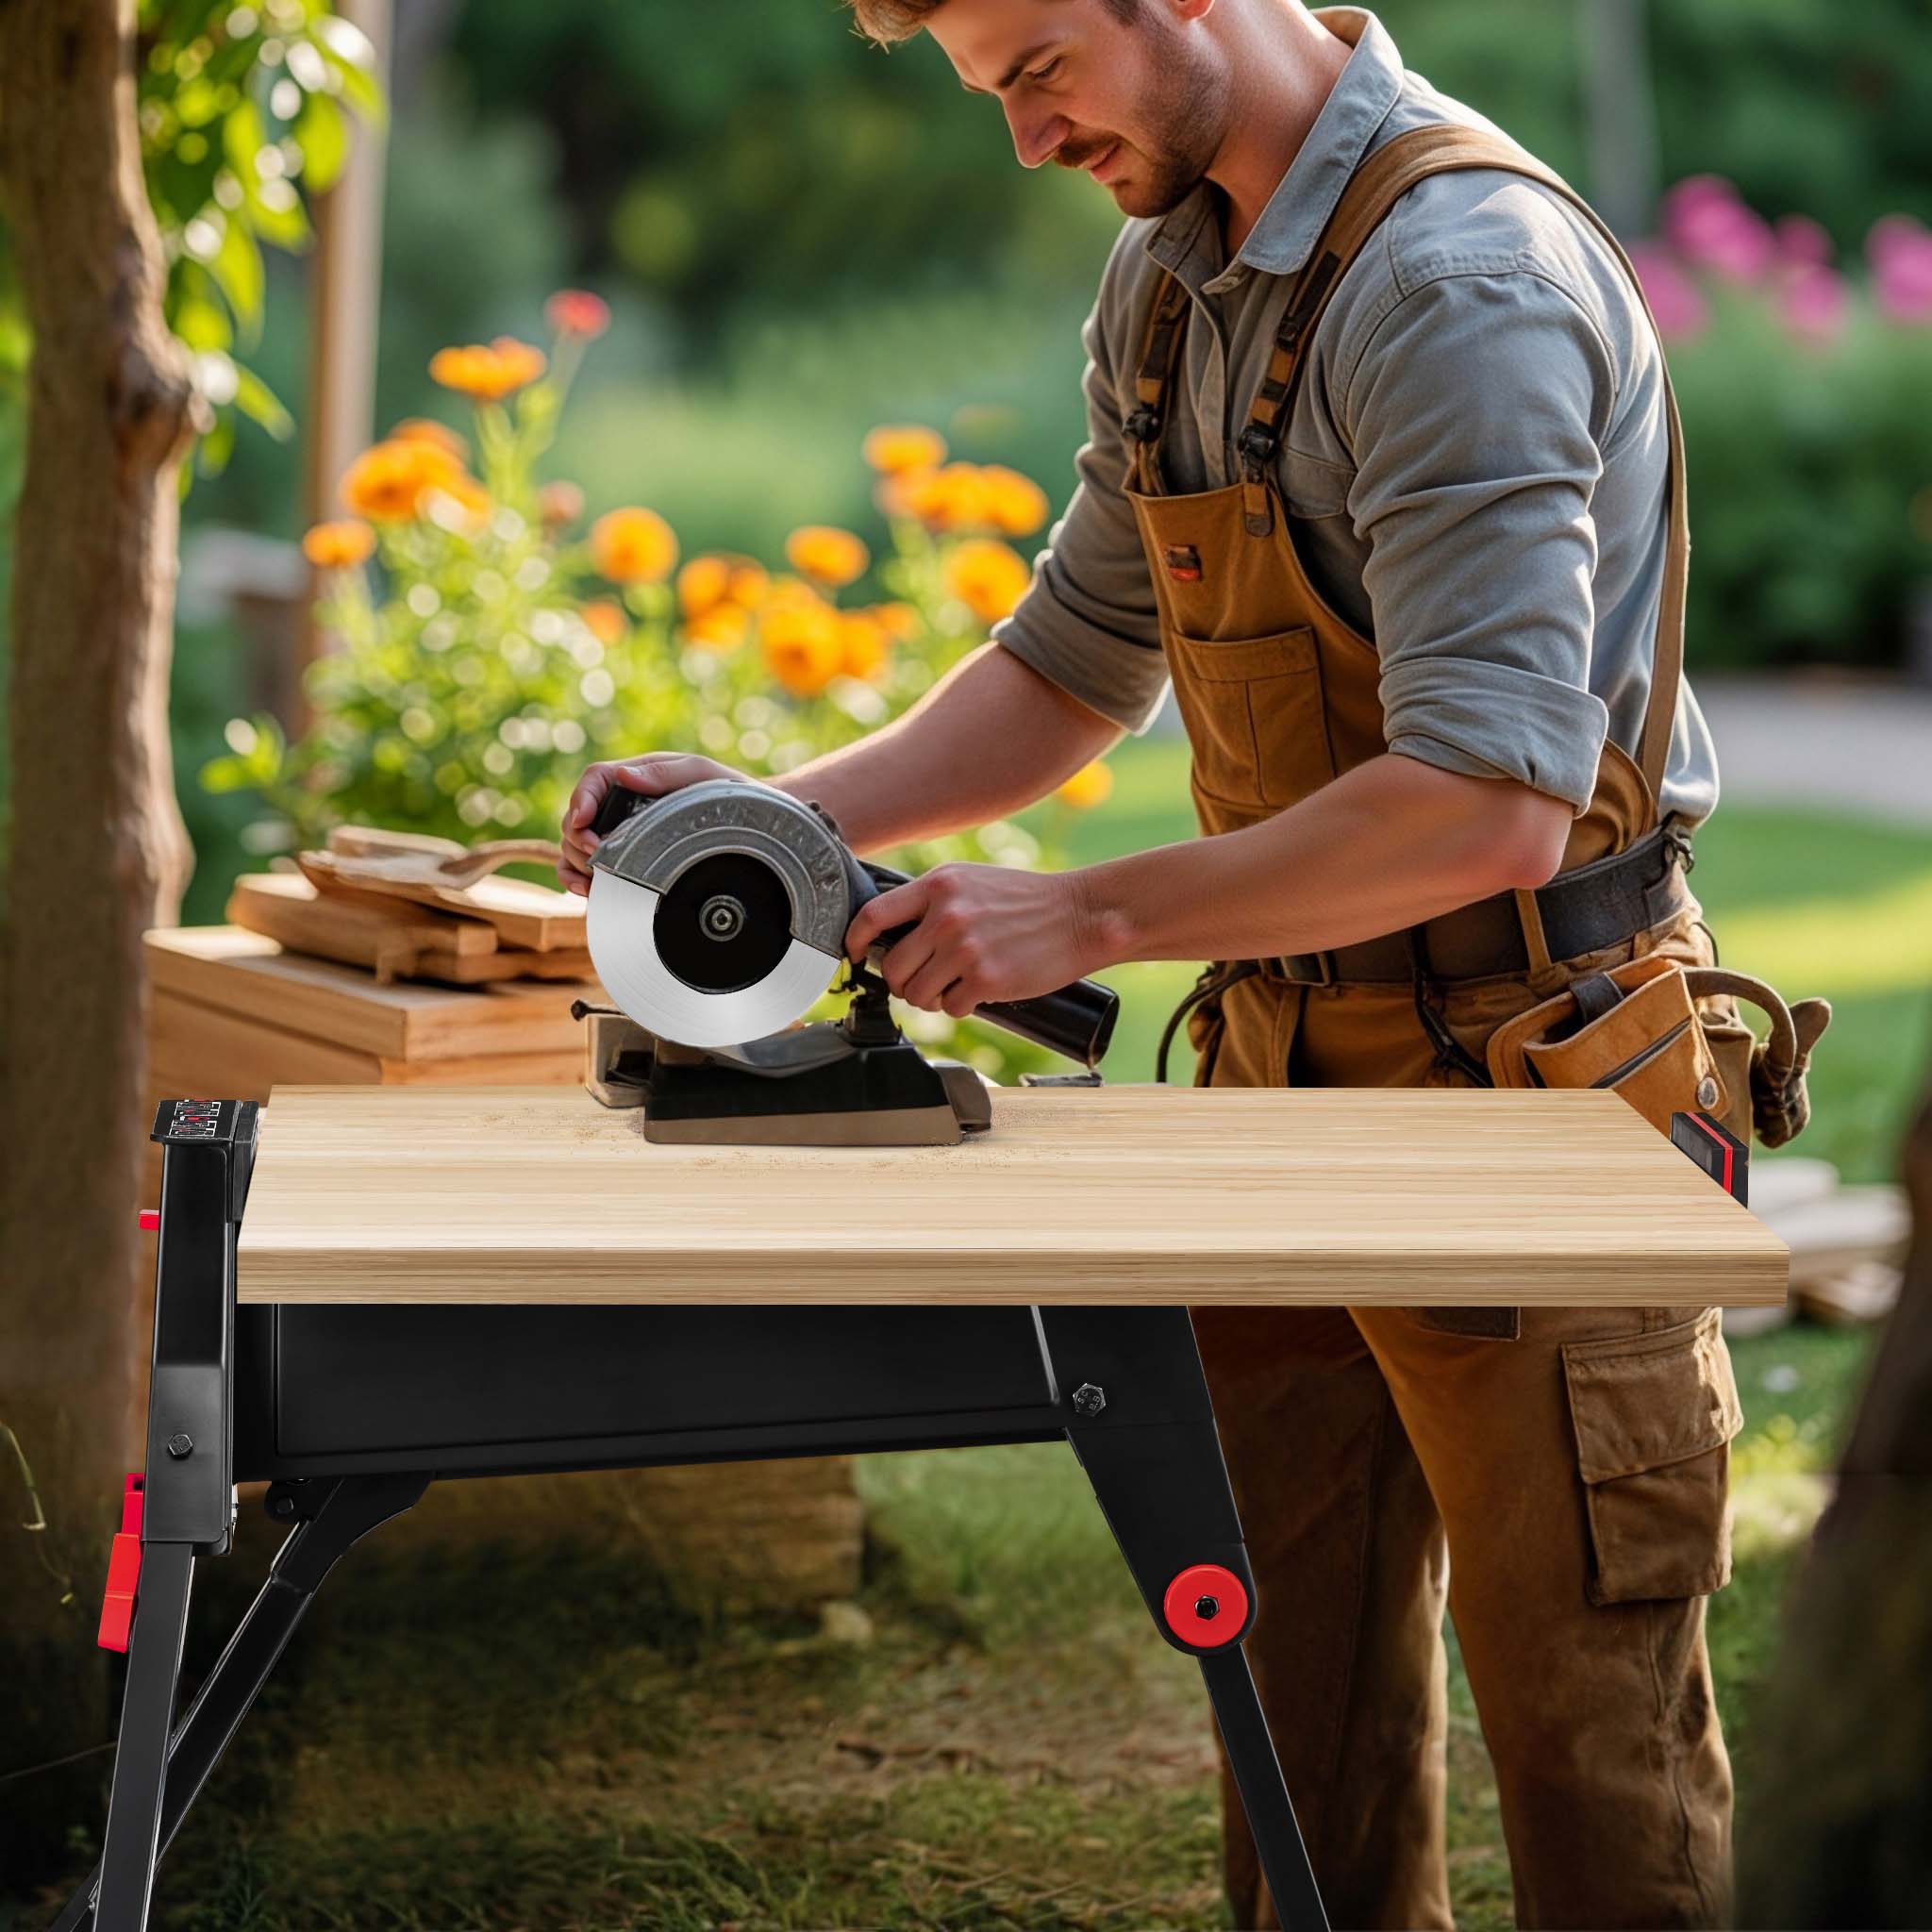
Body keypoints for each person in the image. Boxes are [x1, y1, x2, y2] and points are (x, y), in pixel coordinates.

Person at [560, 5, 1744, 1924]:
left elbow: (1489, 804)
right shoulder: (1173, 281)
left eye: (1034, 69)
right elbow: (1069, 665)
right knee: (1293, 1740)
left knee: (1587, 1750)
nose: (1024, 136)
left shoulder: (1458, 288)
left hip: (1542, 1085)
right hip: (1281, 1065)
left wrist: (1089, 915)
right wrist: (773, 814)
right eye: (988, 92)